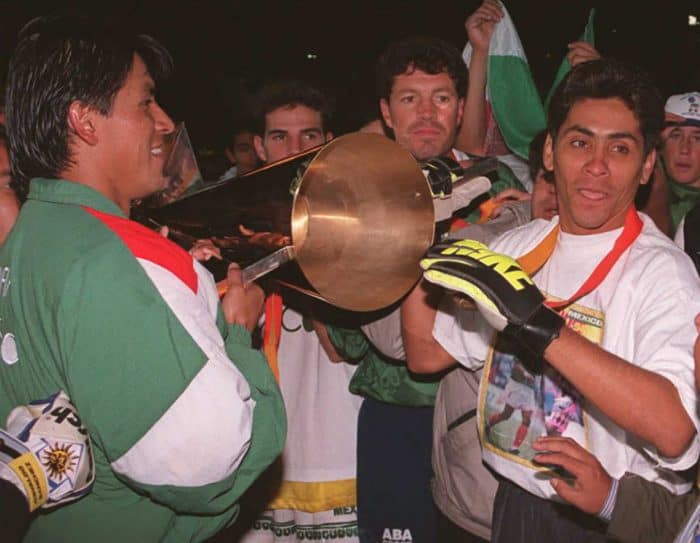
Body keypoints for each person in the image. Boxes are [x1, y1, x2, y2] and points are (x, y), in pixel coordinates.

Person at [0, 16, 285, 542]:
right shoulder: (118, 257)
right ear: (85, 121)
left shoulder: (32, 230)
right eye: (145, 103)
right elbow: (209, 466)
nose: (166, 122)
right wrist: (238, 335)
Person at [407, 59, 700, 542]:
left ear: (648, 165)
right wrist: (416, 232)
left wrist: (539, 327)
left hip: (611, 519)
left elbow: (675, 431)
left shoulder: (663, 272)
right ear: (549, 152)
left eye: (620, 148)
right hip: (516, 504)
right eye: (580, 143)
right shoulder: (520, 248)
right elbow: (424, 352)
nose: (597, 166)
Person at [322, 35, 525, 543]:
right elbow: (366, 336)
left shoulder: (496, 181)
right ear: (387, 112)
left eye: (440, 97)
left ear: (461, 108)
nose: (427, 113)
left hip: (485, 413)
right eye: (410, 98)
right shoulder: (350, 197)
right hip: (399, 416)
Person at [232, 79, 361, 543]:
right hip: (261, 456)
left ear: (327, 142)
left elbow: (342, 346)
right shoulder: (230, 226)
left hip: (341, 446)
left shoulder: (360, 217)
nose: (295, 148)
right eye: (280, 137)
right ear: (260, 147)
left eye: (309, 135)